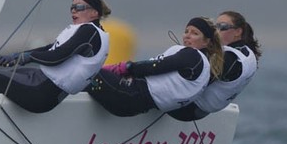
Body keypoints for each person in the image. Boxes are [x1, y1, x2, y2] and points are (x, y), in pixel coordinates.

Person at [0, 0, 111, 113]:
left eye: (79, 7)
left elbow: (57, 57)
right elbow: (50, 48)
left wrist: (26, 57)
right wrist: (19, 56)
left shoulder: (89, 32)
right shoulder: (91, 33)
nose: (73, 10)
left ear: (94, 13)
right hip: (42, 83)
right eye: (71, 7)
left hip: (41, 92)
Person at [86, 16, 223, 117]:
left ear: (206, 42)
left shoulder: (192, 56)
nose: (187, 36)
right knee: (88, 76)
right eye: (186, 31)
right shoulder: (205, 68)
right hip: (135, 105)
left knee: (84, 72)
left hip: (127, 95)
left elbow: (155, 67)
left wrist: (125, 67)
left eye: (195, 33)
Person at [169, 10, 261, 121]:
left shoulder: (230, 58)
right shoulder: (247, 53)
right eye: (215, 27)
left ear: (238, 32)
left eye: (222, 27)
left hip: (188, 110)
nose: (216, 31)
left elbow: (193, 80)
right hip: (205, 111)